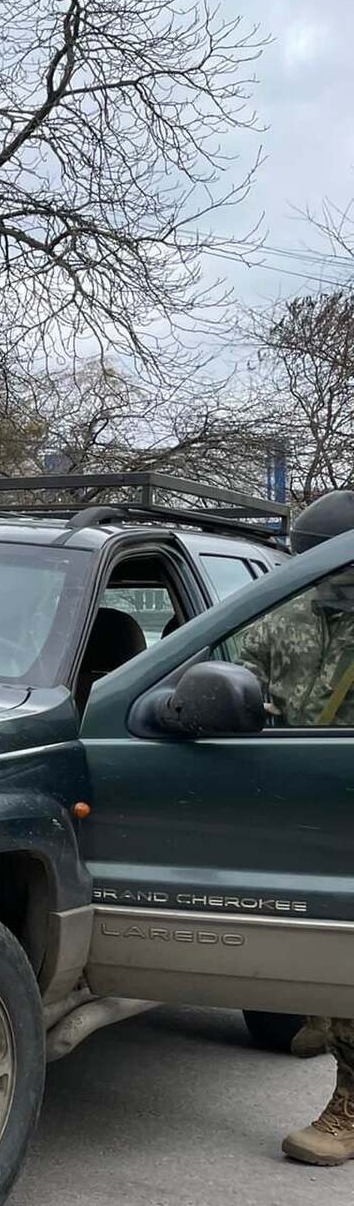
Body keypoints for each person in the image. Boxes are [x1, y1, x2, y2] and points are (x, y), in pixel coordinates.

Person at [236, 490, 354, 1166]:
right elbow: (241, 687)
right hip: (296, 811)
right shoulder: (282, 621)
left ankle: (349, 1104)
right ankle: (319, 1011)